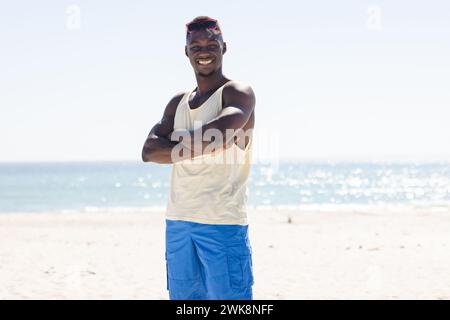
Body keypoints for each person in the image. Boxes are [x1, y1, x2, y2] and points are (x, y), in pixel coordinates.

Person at [142, 16, 256, 300]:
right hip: (178, 222)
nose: (203, 52)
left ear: (223, 47)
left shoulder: (237, 93)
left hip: (222, 222)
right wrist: (203, 143)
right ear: (186, 52)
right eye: (195, 46)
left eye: (211, 44)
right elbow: (148, 152)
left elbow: (220, 132)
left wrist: (175, 144)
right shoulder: (177, 102)